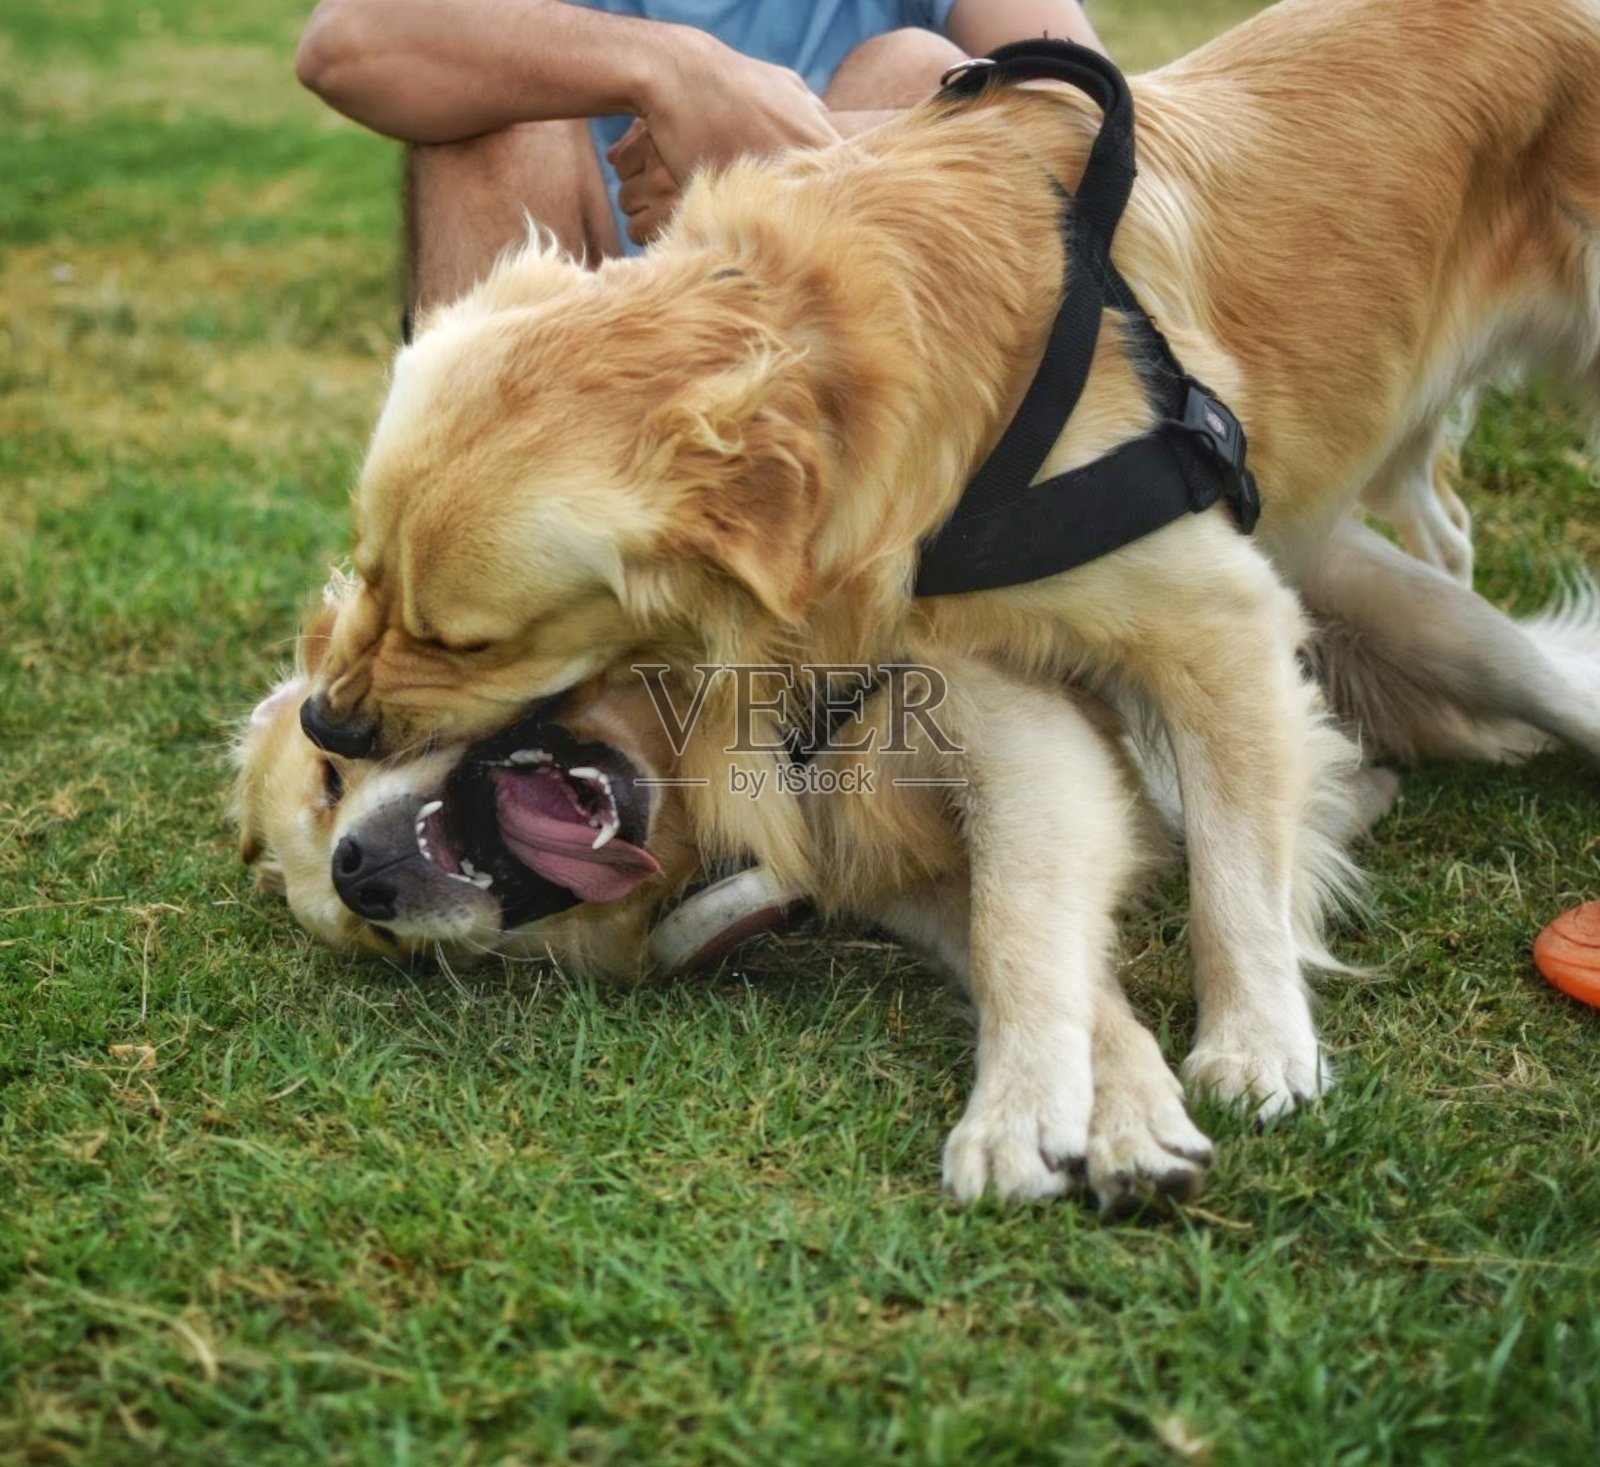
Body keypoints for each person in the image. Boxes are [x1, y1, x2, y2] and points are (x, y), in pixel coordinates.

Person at [295, 0, 1104, 324]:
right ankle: (496, 596)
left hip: (835, 358)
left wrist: (803, 153)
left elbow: (1099, 119)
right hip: (574, 358)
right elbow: (349, 43)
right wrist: (675, 71)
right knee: (493, 125)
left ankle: (907, 616)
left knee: (917, 71)